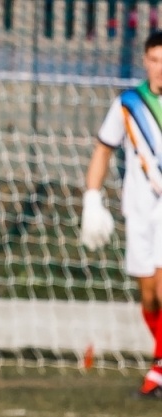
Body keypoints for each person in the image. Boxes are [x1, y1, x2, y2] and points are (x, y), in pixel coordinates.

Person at [82, 30, 162, 397]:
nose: (160, 69)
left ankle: (159, 368)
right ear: (146, 61)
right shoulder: (129, 103)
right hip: (139, 212)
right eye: (155, 60)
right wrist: (92, 199)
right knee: (149, 297)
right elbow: (103, 149)